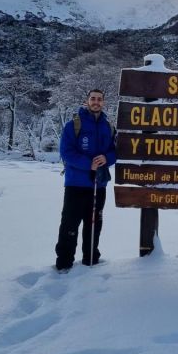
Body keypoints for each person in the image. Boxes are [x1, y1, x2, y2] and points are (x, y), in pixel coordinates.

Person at [54, 88, 117, 272]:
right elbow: (66, 152)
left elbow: (115, 152)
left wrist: (107, 158)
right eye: (93, 99)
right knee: (70, 224)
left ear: (103, 102)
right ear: (87, 101)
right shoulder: (73, 124)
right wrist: (88, 164)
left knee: (94, 224)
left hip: (99, 184)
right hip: (76, 184)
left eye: (99, 99)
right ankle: (64, 263)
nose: (96, 102)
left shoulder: (108, 126)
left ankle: (91, 261)